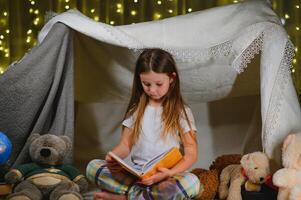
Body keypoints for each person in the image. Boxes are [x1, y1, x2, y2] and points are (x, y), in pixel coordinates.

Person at [86, 48, 201, 200]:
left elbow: (191, 153)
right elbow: (125, 145)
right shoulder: (136, 110)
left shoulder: (181, 112)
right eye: (146, 84)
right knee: (93, 167)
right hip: (137, 176)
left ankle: (126, 197)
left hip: (166, 177)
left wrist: (169, 173)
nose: (152, 90)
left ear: (172, 78)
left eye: (159, 84)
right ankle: (144, 196)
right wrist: (114, 157)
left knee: (192, 183)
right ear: (139, 80)